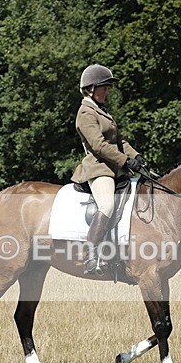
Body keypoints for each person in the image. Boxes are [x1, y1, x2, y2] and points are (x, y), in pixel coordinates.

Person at [71, 64, 146, 275]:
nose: (108, 91)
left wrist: (136, 156)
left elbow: (119, 140)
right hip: (98, 169)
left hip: (115, 168)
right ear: (91, 88)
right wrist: (125, 161)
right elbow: (99, 145)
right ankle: (90, 256)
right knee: (107, 205)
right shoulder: (85, 113)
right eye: (104, 87)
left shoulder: (102, 111)